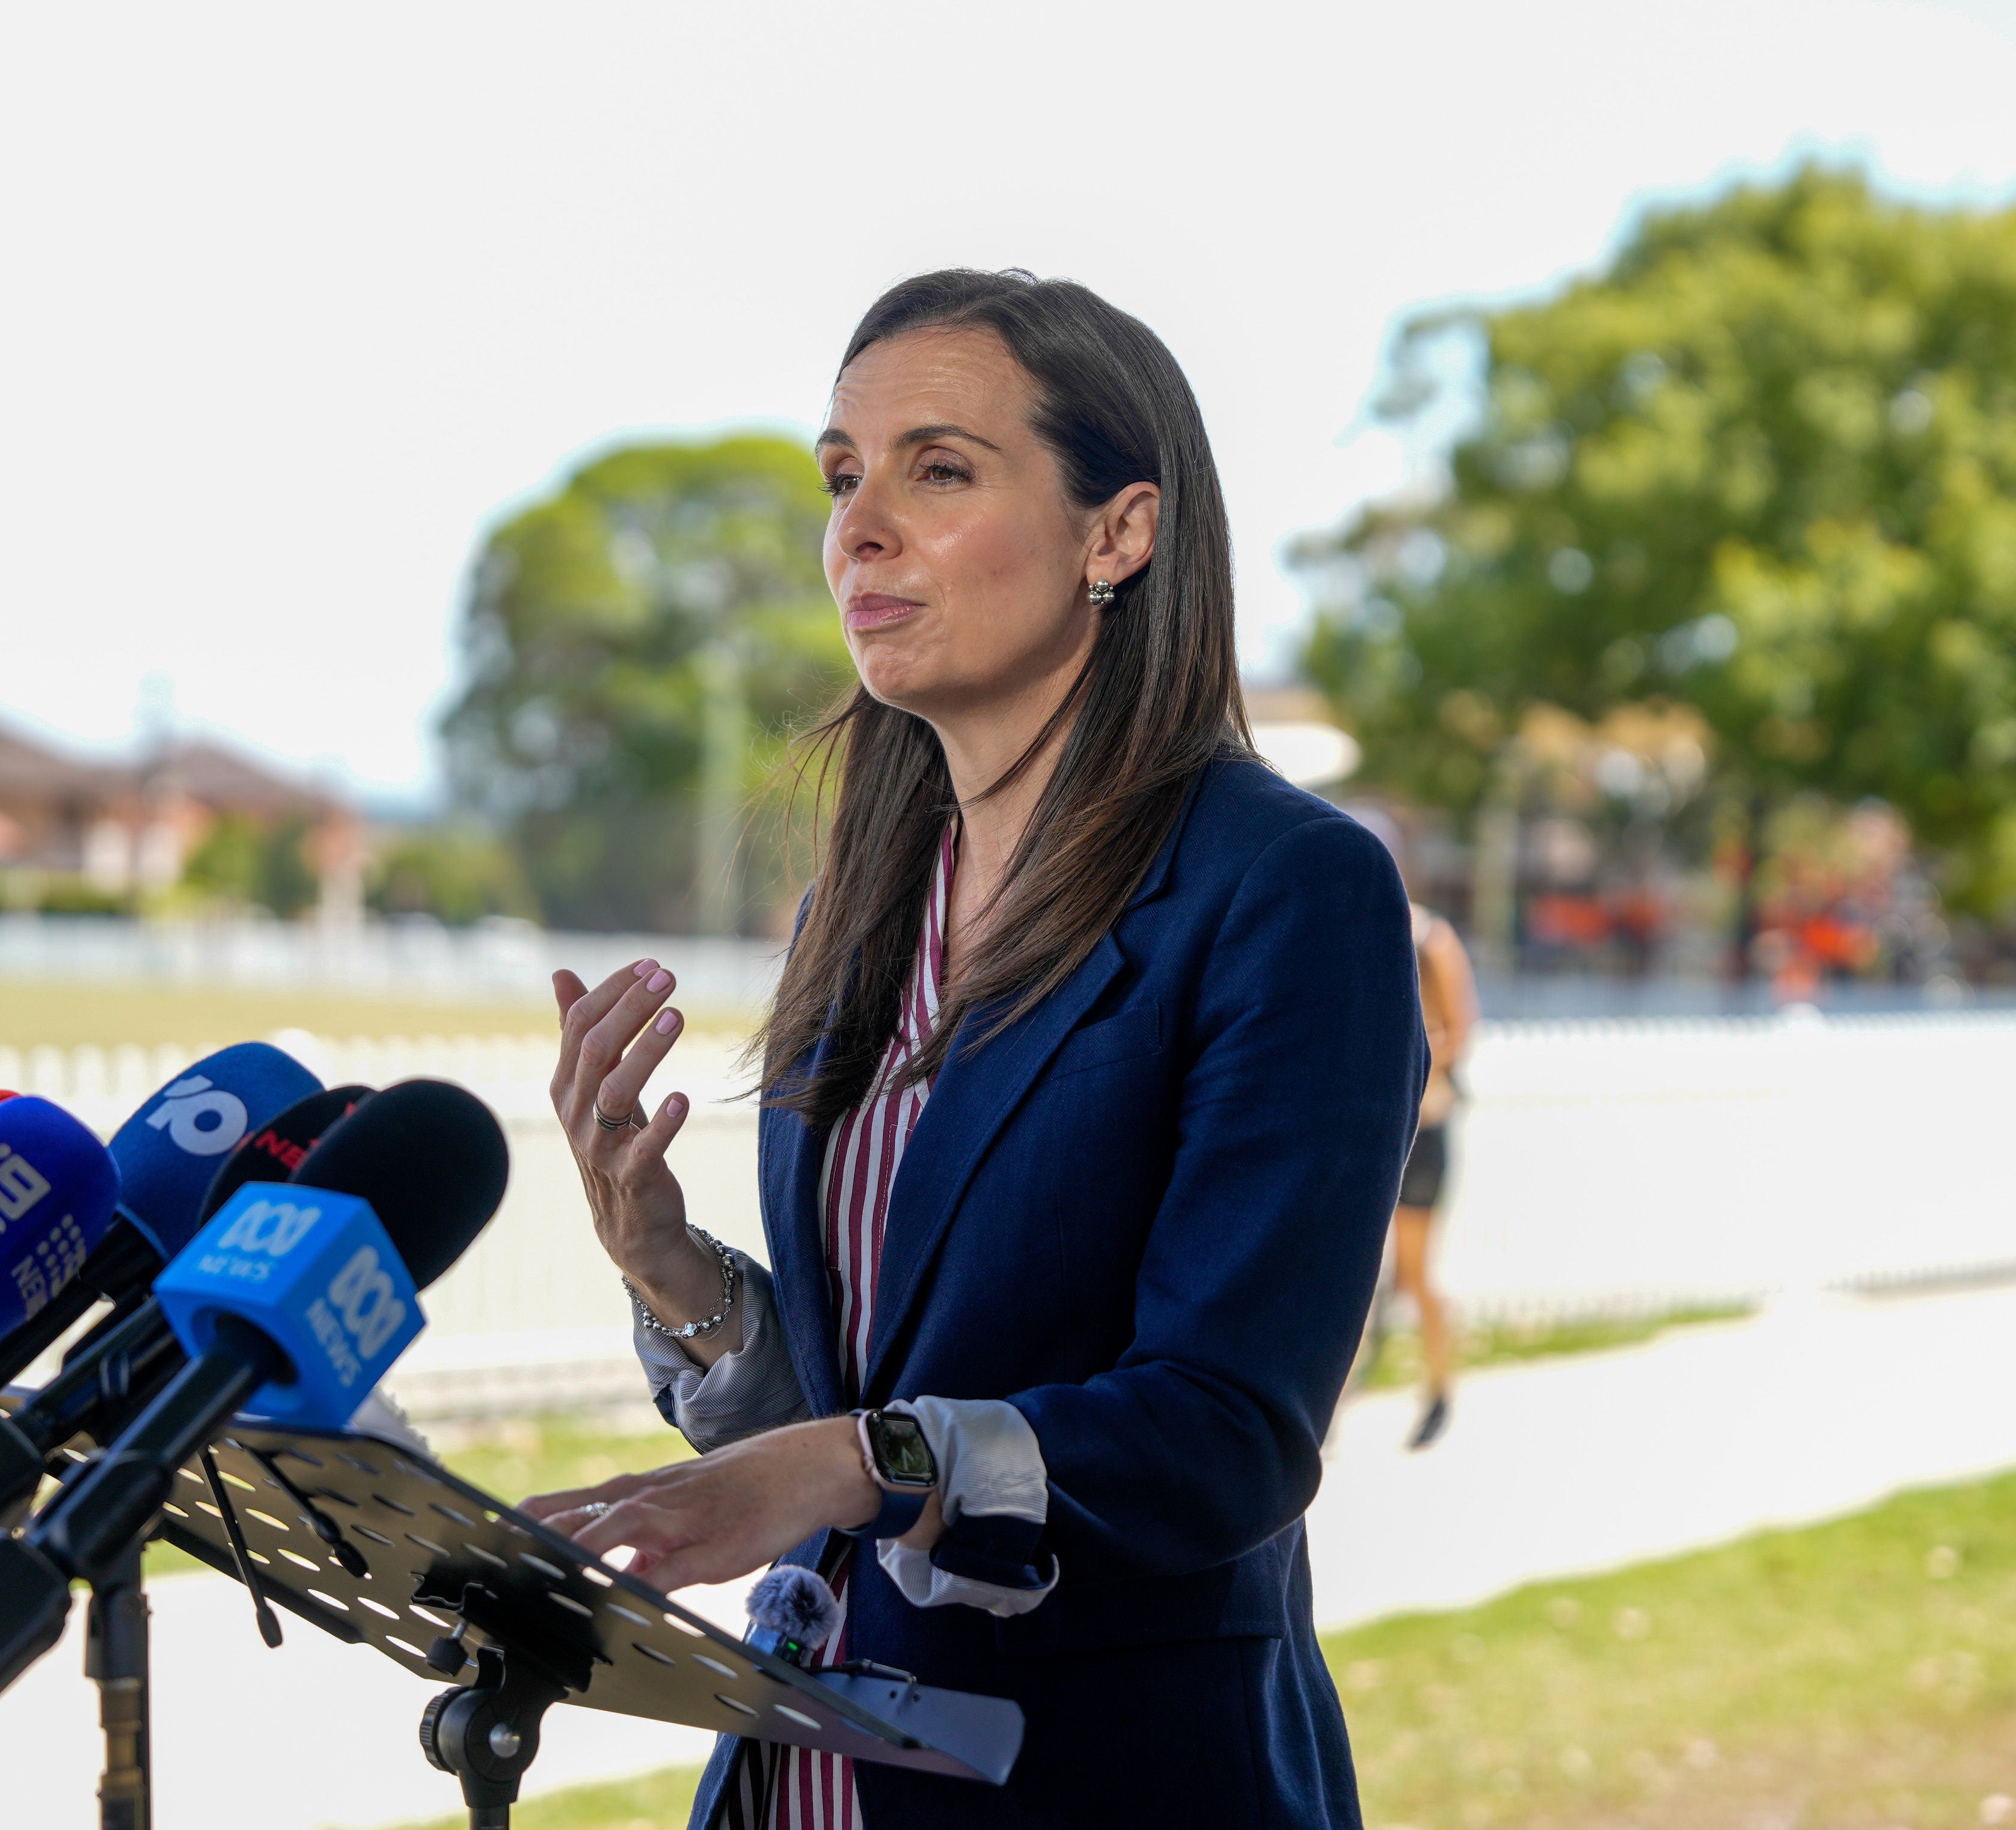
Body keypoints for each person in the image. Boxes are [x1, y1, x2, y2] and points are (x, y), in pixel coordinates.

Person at [524, 269, 1426, 1829]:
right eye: (842, 476)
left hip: (1108, 1783)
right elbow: (865, 1399)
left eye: (937, 469)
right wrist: (666, 1264)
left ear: (1117, 532)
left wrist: (850, 1460)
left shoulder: (1286, 887)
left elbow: (1228, 1433)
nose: (858, 530)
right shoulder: (857, 903)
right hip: (810, 1775)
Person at [1389, 903, 1477, 1449]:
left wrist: (1404, 1054)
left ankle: (1441, 1388)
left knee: (1414, 1274)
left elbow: (1459, 1033)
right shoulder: (1363, 923)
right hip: (1377, 1127)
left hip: (1423, 1125)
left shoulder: (1431, 938)